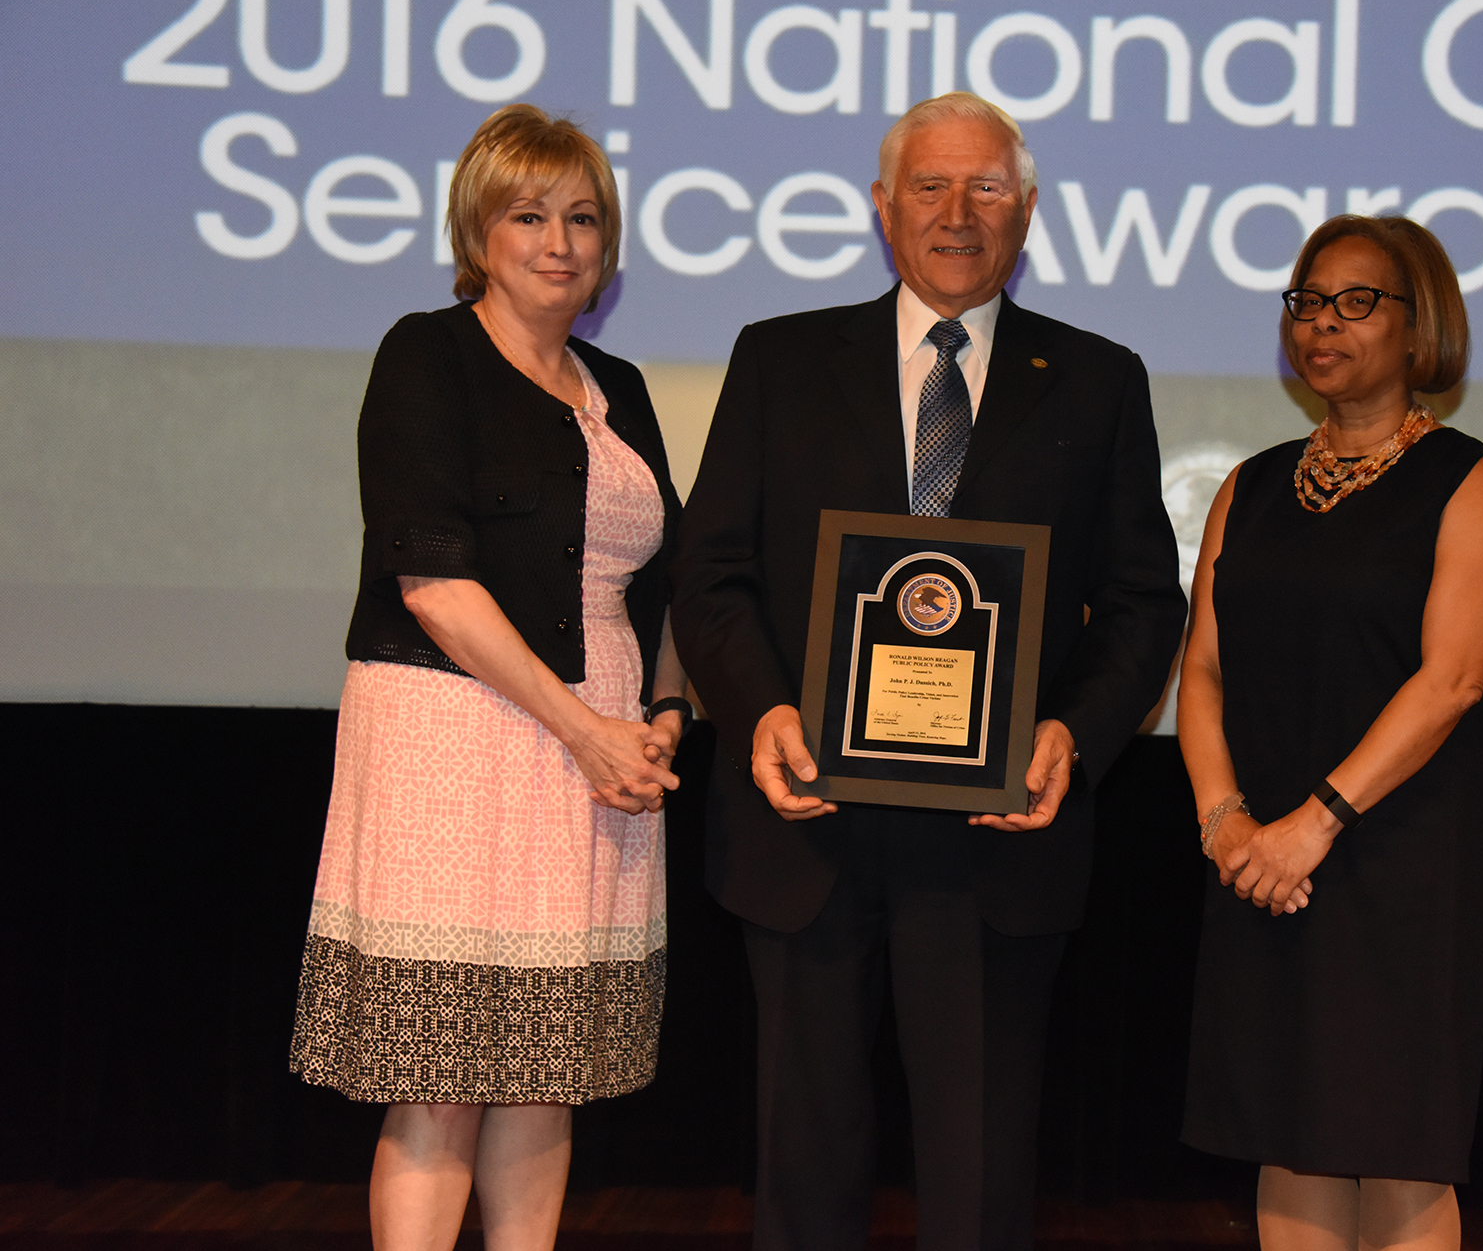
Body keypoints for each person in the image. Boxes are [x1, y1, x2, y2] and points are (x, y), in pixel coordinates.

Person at [670, 92, 1185, 1251]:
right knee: (800, 1172)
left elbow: (1146, 603)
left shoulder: (1098, 380)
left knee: (981, 1179)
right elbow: (711, 573)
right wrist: (755, 713)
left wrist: (1070, 735)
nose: (958, 213)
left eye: (987, 188)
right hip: (803, 823)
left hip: (996, 842)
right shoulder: (779, 359)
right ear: (881, 208)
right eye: (929, 187)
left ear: (1029, 211)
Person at [290, 103, 688, 1251]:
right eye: (530, 215)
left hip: (597, 757)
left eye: (582, 217)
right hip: (453, 746)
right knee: (439, 1072)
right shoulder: (428, 353)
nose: (559, 241)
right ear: (480, 229)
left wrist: (659, 714)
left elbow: (663, 574)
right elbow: (432, 579)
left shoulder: (618, 383)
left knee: (544, 1067)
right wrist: (586, 728)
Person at [1177, 215, 1483, 1251]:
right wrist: (1225, 825)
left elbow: (1452, 680)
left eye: (1352, 302)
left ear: (1417, 323)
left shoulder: (1473, 481)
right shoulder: (1248, 483)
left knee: (1397, 1145)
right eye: (1303, 301)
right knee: (1285, 1133)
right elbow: (1201, 668)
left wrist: (1313, 826)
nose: (1319, 323)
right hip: (1258, 858)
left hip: (1398, 857)